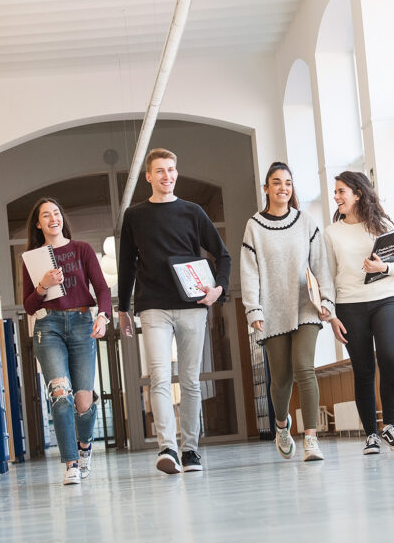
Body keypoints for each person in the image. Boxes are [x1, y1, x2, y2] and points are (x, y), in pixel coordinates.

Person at [117, 148, 231, 475]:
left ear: (176, 173)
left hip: (193, 306)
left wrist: (218, 289)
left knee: (191, 380)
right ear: (149, 176)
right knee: (159, 377)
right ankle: (167, 446)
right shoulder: (135, 216)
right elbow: (126, 266)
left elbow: (223, 256)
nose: (166, 176)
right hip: (153, 306)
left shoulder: (193, 212)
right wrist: (123, 309)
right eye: (160, 171)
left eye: (171, 170)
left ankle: (190, 449)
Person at [240, 162, 335, 462]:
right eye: (277, 182)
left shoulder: (305, 222)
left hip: (306, 306)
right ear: (266, 188)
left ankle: (311, 438)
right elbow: (249, 272)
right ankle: (282, 425)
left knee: (305, 369)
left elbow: (321, 263)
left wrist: (328, 302)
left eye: (288, 183)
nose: (283, 188)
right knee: (281, 379)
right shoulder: (254, 226)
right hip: (271, 311)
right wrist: (253, 309)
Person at [21, 197, 112, 485]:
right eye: (45, 215)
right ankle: (71, 463)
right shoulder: (32, 259)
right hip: (48, 328)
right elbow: (28, 305)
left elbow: (101, 288)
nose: (52, 219)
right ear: (38, 224)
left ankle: (84, 448)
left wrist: (103, 317)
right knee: (61, 396)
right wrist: (43, 285)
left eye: (56, 213)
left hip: (82, 323)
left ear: (62, 218)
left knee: (83, 401)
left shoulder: (81, 249)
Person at [324, 171, 394, 455]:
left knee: (389, 357)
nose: (336, 197)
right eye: (335, 192)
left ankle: (390, 426)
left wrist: (382, 268)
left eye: (341, 191)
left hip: (386, 299)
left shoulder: (381, 226)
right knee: (363, 370)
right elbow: (327, 276)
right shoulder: (331, 233)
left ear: (358, 193)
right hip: (349, 305)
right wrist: (331, 315)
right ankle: (371, 433)